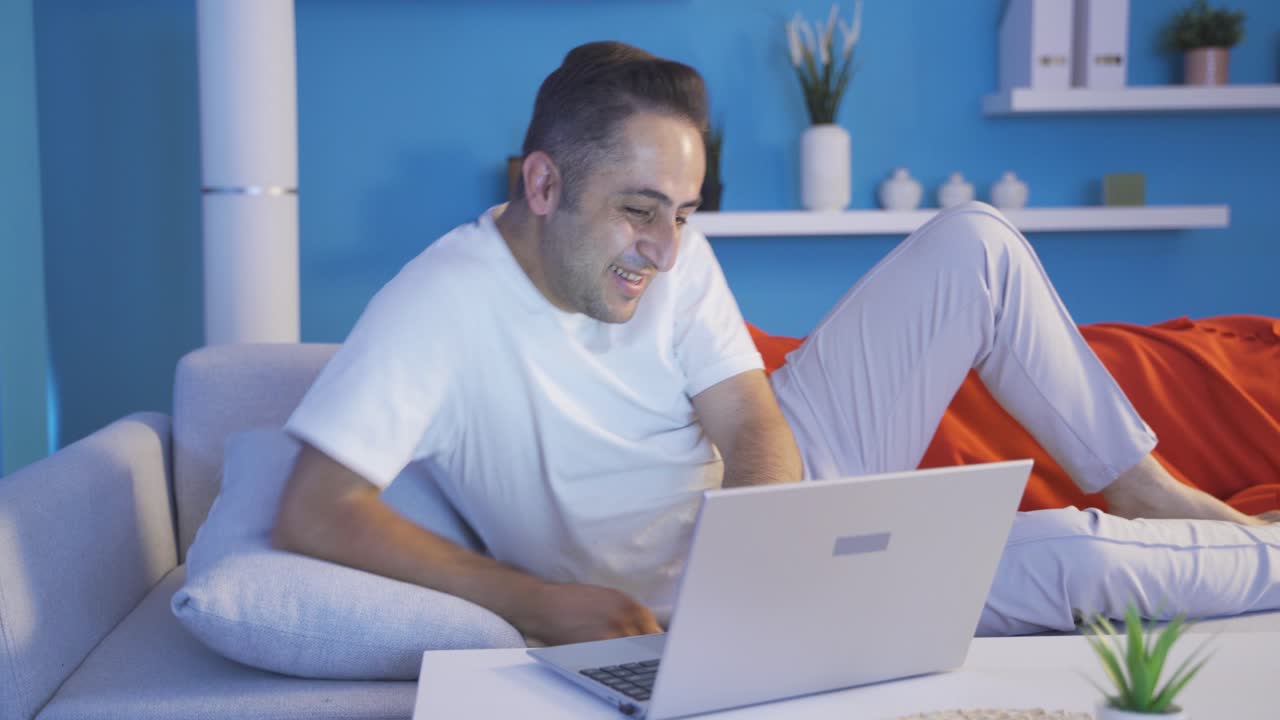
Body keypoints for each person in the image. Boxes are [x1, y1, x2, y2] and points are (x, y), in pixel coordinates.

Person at [272, 41, 1280, 645]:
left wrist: (766, 545)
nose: (665, 251)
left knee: (973, 240)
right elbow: (317, 509)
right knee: (1070, 561)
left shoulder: (669, 251)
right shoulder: (441, 304)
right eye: (638, 212)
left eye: (683, 212)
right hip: (705, 606)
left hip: (775, 525)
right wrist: (537, 602)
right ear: (540, 185)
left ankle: (1140, 479)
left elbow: (750, 417)